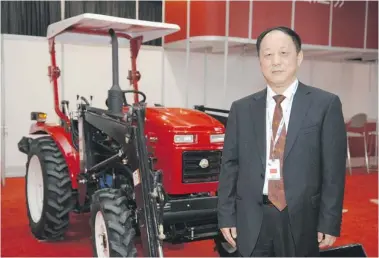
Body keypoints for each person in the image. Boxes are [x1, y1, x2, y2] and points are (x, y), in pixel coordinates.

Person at [217, 26, 347, 257]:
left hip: (302, 217)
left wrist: (329, 221)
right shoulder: (241, 109)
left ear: (299, 57)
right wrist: (226, 215)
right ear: (260, 61)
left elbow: (333, 171)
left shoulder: (325, 105)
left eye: (283, 53)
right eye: (268, 54)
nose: (275, 61)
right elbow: (230, 166)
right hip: (252, 216)